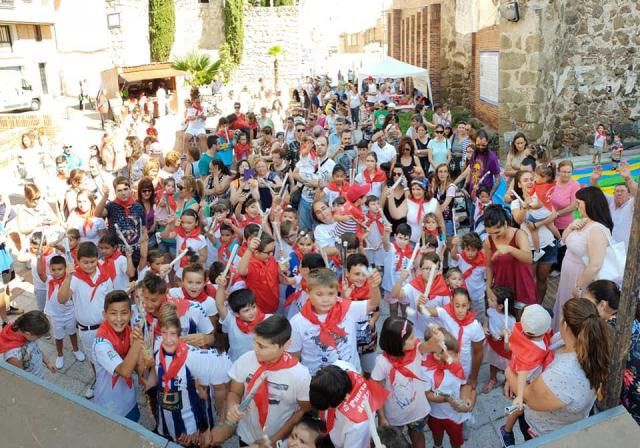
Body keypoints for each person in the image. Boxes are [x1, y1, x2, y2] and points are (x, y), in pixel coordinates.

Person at [507, 298, 610, 440]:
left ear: (566, 325)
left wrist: (508, 371)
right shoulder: (572, 342)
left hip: (544, 433)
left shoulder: (563, 373)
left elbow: (527, 396)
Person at [146, 302, 231, 445]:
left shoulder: (196, 358)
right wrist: (150, 397)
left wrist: (213, 428)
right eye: (164, 332)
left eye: (172, 333)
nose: (167, 339)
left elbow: (221, 388)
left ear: (179, 332)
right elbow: (155, 376)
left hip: (193, 432)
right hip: (166, 425)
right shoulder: (156, 346)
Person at [225, 316, 311, 447]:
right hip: (247, 435)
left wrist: (273, 440)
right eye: (255, 342)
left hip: (279, 441)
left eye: (262, 346)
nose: (255, 349)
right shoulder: (245, 360)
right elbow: (234, 392)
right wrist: (232, 407)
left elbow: (302, 411)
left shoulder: (300, 375)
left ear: (286, 345)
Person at [288, 267, 381, 375]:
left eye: (331, 293)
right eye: (319, 294)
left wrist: (374, 287)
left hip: (351, 375)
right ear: (308, 292)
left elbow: (373, 304)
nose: (325, 299)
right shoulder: (297, 322)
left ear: (337, 292)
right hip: (318, 382)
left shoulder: (347, 308)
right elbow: (294, 356)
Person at [58, 241, 114, 399]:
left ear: (97, 259)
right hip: (87, 330)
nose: (89, 266)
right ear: (78, 261)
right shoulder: (74, 278)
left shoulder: (104, 275)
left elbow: (111, 299)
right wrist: (67, 277)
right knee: (93, 358)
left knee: (110, 356)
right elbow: (62, 299)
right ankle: (99, 380)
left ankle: (113, 383)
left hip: (106, 327)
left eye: (93, 261)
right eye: (85, 262)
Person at [552, 186, 613, 332]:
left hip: (579, 276)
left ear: (590, 203)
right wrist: (571, 226)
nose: (576, 206)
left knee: (574, 311)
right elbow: (563, 240)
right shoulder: (584, 221)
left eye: (579, 203)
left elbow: (595, 264)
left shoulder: (597, 229)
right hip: (569, 271)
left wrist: (579, 287)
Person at [372, 317, 433, 448]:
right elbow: (376, 391)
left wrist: (437, 337)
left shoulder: (416, 350)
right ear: (398, 343)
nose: (416, 339)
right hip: (394, 416)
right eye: (411, 338)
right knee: (394, 442)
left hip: (417, 411)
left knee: (418, 435)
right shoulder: (382, 362)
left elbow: (433, 346)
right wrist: (381, 417)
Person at [500, 304, 554, 445]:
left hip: (519, 369)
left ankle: (507, 429)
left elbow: (509, 348)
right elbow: (523, 371)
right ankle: (506, 430)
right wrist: (519, 396)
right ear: (546, 330)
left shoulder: (521, 332)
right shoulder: (533, 351)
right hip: (527, 379)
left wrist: (507, 338)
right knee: (518, 409)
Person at [309, 363, 388, 448]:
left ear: (344, 399)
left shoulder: (356, 424)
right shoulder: (339, 368)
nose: (323, 411)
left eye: (327, 408)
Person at [93, 290, 143, 421]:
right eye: (113, 313)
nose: (119, 319)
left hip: (129, 398)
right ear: (105, 314)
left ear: (131, 314)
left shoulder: (129, 331)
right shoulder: (101, 344)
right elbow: (125, 371)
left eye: (124, 313)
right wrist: (138, 343)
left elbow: (138, 368)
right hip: (109, 404)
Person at [422, 327, 476, 448]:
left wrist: (466, 398)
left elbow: (463, 385)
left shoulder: (456, 367)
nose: (457, 358)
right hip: (435, 415)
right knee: (437, 434)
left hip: (455, 415)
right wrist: (446, 398)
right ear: (437, 355)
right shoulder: (426, 370)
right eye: (452, 355)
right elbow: (429, 394)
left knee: (456, 438)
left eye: (457, 353)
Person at [510, 170, 558, 304]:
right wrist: (525, 207)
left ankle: (538, 305)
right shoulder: (516, 203)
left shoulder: (541, 196)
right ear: (519, 184)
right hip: (528, 248)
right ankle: (529, 306)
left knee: (542, 279)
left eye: (531, 179)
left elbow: (554, 215)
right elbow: (518, 220)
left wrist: (537, 225)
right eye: (525, 180)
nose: (530, 182)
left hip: (548, 244)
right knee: (529, 280)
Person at [37, 254, 85, 369]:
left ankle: (76, 349)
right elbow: (40, 273)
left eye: (60, 269)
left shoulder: (70, 281)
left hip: (70, 313)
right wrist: (39, 257)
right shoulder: (49, 280)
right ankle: (60, 354)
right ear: (49, 269)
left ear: (65, 269)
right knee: (58, 337)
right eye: (53, 269)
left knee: (72, 333)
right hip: (55, 316)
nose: (56, 272)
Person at [484, 204, 537, 307]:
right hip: (502, 286)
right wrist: (488, 286)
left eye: (497, 232)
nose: (494, 236)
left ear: (505, 224)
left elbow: (528, 258)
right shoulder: (488, 242)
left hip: (522, 284)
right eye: (490, 233)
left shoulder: (519, 234)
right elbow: (489, 266)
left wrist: (510, 249)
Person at [590, 161, 636, 249]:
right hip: (608, 246)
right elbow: (596, 193)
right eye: (617, 191)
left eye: (622, 191)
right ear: (613, 193)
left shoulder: (631, 203)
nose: (619, 193)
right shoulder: (611, 201)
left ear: (629, 194)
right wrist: (594, 179)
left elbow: (637, 195)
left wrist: (628, 178)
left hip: (626, 248)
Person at [387, 178, 444, 243]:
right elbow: (396, 215)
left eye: (418, 189)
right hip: (411, 242)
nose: (415, 192)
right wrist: (390, 198)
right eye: (413, 189)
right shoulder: (408, 201)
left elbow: (441, 224)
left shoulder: (434, 202)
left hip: (430, 243)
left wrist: (443, 240)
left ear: (425, 190)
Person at [482, 286, 516, 393]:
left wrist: (502, 334)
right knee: (492, 361)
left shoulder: (510, 320)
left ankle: (508, 381)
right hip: (492, 343)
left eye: (492, 299)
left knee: (506, 366)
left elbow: (513, 334)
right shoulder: (491, 309)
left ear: (501, 306)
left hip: (503, 346)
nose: (488, 300)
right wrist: (485, 326)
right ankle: (493, 378)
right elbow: (487, 317)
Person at [0, 310, 54, 377]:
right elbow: (20, 376)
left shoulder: (26, 333)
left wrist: (48, 362)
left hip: (38, 375)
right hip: (33, 381)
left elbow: (37, 349)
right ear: (28, 333)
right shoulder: (13, 357)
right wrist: (24, 361)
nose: (39, 338)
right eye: (39, 336)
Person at [549, 160, 580, 275]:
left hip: (564, 223)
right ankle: (550, 264)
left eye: (568, 172)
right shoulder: (553, 182)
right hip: (549, 222)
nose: (566, 174)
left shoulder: (574, 185)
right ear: (558, 172)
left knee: (562, 246)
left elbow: (573, 206)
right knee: (551, 244)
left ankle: (559, 268)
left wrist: (557, 214)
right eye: (563, 172)